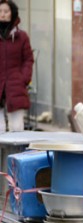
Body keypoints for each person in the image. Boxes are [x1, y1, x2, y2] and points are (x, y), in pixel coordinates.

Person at [0, 0, 34, 133]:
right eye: (0, 11)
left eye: (6, 11)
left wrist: (23, 78)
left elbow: (28, 59)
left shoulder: (21, 37)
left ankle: (16, 153)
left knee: (17, 127)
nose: (2, 14)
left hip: (15, 85)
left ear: (12, 14)